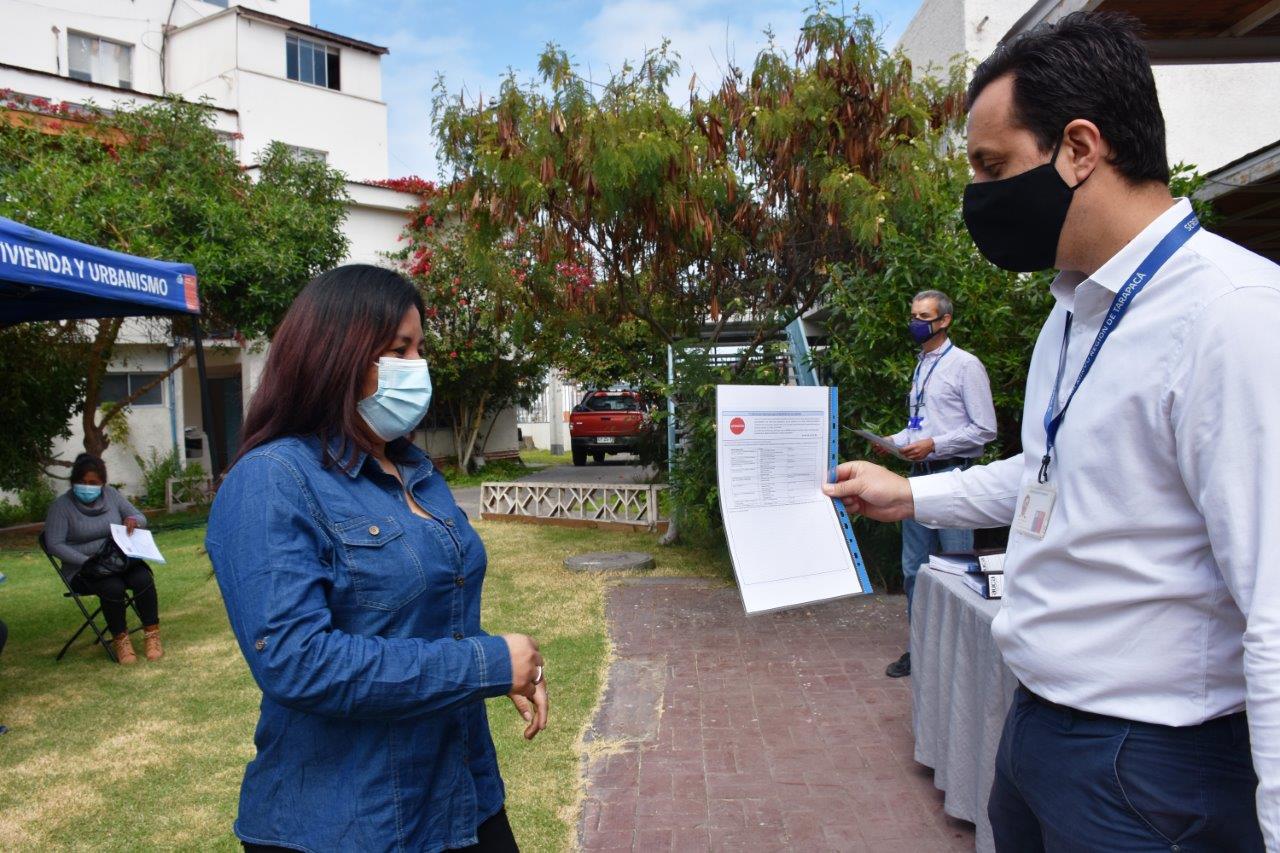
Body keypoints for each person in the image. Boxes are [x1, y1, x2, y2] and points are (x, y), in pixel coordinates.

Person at [824, 12, 1277, 851]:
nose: (979, 197)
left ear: (1078, 148)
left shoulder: (1234, 317)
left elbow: (1276, 609)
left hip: (1152, 764)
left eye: (992, 167)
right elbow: (1048, 472)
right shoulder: (1071, 316)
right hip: (1038, 727)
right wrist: (910, 492)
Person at [206, 265, 548, 853]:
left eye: (420, 349)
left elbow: (412, 615)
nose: (417, 367)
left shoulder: (416, 471)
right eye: (398, 350)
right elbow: (296, 661)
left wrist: (492, 663)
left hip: (461, 795)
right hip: (346, 821)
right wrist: (484, 664)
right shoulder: (272, 480)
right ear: (335, 355)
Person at [883, 289, 996, 678]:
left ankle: (963, 656)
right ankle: (920, 650)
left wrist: (937, 445)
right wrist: (894, 443)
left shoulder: (965, 366)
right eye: (913, 315)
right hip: (918, 480)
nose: (916, 323)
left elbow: (985, 430)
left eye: (924, 316)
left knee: (956, 568)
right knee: (914, 569)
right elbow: (921, 425)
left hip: (952, 477)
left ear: (944, 320)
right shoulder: (921, 366)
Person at [43, 453, 162, 664]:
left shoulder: (112, 496)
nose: (87, 487)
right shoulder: (61, 508)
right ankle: (121, 639)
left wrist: (132, 520)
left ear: (102, 484)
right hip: (82, 568)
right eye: (82, 482)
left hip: (116, 560)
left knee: (143, 577)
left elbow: (141, 518)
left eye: (93, 483)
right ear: (73, 483)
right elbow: (54, 544)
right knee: (112, 587)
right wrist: (85, 560)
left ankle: (152, 635)